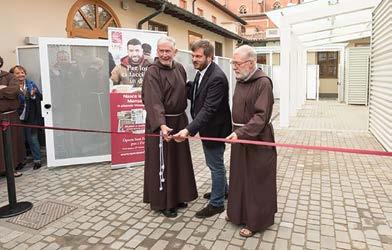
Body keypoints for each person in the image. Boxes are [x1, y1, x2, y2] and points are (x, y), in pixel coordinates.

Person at [174, 39, 232, 218]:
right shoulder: (201, 72)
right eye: (193, 55)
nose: (194, 59)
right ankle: (224, 191)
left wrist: (188, 130)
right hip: (208, 128)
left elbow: (209, 109)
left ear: (210, 57)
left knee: (215, 165)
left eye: (198, 56)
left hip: (215, 129)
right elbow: (196, 92)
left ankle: (216, 204)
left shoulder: (217, 78)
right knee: (214, 163)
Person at [142, 36, 198, 218]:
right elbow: (153, 100)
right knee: (163, 163)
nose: (165, 55)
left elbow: (185, 91)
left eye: (168, 51)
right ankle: (165, 203)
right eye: (161, 51)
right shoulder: (152, 72)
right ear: (157, 52)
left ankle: (179, 196)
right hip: (162, 124)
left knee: (179, 162)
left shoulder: (180, 68)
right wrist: (161, 125)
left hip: (179, 122)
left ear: (175, 52)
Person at [225, 45, 277, 237]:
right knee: (239, 178)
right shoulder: (241, 80)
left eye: (237, 63)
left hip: (258, 139)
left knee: (257, 180)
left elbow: (261, 116)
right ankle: (237, 213)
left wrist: (241, 133)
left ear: (251, 63)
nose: (234, 67)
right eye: (233, 63)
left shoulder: (263, 83)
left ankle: (257, 221)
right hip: (240, 137)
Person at [10, 65, 42, 170]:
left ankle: (37, 160)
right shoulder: (11, 86)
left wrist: (33, 95)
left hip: (31, 116)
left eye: (22, 72)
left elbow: (39, 97)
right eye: (17, 73)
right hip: (16, 117)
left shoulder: (31, 84)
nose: (21, 75)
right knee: (19, 139)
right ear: (12, 75)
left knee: (32, 138)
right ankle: (20, 161)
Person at [0, 56, 25, 177]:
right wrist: (4, 90)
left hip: (9, 116)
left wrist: (5, 90)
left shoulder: (9, 77)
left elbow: (15, 90)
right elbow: (8, 92)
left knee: (11, 143)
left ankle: (11, 169)